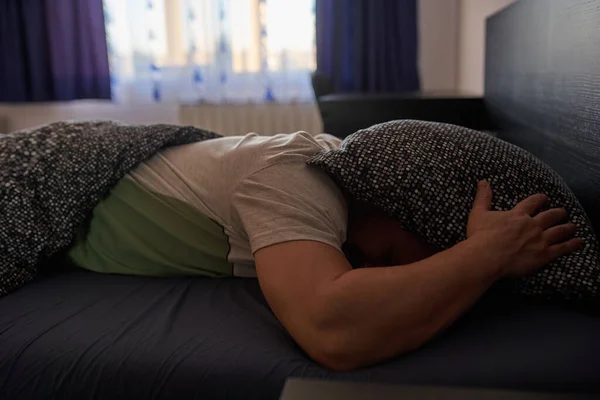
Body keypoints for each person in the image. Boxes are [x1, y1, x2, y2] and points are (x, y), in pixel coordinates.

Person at [68, 131, 583, 371]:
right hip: (59, 177)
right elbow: (332, 328)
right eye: (435, 243)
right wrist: (485, 255)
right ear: (403, 195)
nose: (411, 269)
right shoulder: (294, 174)